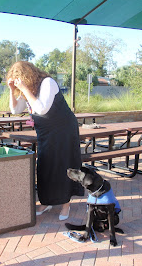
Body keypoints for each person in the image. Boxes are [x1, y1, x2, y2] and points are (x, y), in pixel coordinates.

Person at [6, 61, 84, 220]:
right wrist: (12, 90)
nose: (20, 83)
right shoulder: (27, 89)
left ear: (28, 76)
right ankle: (47, 201)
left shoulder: (48, 83)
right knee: (45, 165)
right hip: (46, 131)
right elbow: (16, 109)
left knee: (64, 165)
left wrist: (25, 89)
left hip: (64, 130)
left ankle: (65, 204)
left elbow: (41, 109)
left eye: (20, 80)